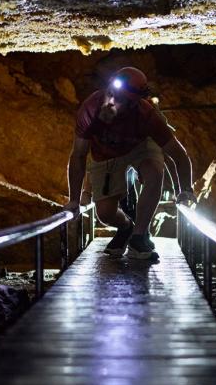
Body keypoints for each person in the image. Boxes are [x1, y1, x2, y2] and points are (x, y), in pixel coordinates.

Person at [65, 66, 195, 259]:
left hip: (141, 145)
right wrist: (74, 200)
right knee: (105, 213)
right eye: (112, 95)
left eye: (121, 99)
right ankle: (126, 227)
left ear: (135, 101)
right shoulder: (91, 110)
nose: (113, 102)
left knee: (154, 172)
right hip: (106, 153)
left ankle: (139, 236)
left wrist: (186, 190)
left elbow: (179, 154)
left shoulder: (147, 116)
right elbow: (78, 155)